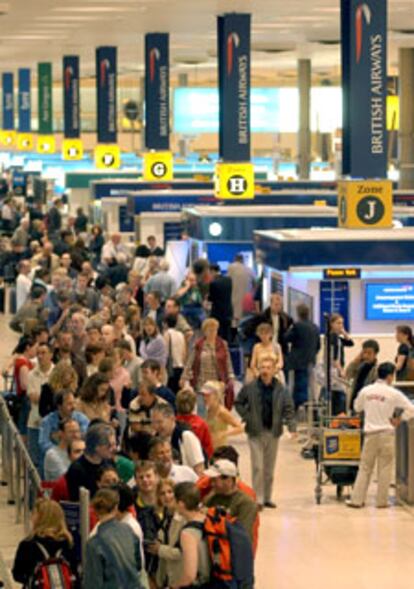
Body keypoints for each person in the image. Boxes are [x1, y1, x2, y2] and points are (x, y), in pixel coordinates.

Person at [346, 362, 414, 509]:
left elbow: (356, 407)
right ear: (390, 376)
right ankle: (382, 502)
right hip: (387, 434)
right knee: (385, 467)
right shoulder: (393, 393)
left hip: (370, 434)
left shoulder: (366, 391)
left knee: (365, 467)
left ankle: (357, 500)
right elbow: (411, 409)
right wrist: (399, 419)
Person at [235, 354, 296, 509]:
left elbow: (288, 408)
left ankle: (267, 497)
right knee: (257, 467)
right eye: (262, 367)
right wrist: (247, 416)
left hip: (273, 432)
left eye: (268, 368)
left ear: (274, 370)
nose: (265, 370)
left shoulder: (281, 389)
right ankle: (258, 499)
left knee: (269, 468)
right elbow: (238, 402)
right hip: (255, 432)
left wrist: (292, 427)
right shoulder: (250, 387)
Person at [84, 488, 143, 589]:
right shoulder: (128, 530)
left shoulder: (93, 543)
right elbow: (138, 565)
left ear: (94, 509)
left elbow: (93, 583)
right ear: (116, 507)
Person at [12, 498, 77, 588]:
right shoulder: (70, 542)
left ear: (40, 519)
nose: (31, 517)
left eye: (34, 513)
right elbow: (76, 572)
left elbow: (17, 575)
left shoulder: (27, 544)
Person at [182, 318, 235, 413]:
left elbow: (228, 362)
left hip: (217, 384)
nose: (213, 332)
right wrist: (184, 377)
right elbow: (189, 362)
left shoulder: (223, 344)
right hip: (201, 383)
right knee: (202, 410)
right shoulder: (198, 345)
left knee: (216, 412)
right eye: (210, 330)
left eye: (215, 330)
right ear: (205, 331)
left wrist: (231, 377)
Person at [204, 459, 258, 542]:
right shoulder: (213, 496)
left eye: (215, 480)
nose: (212, 484)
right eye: (211, 480)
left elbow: (241, 534)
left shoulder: (246, 503)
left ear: (229, 481)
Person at [173, 482, 211, 588]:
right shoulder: (208, 520)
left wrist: (173, 586)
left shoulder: (188, 533)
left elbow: (190, 576)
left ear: (180, 503)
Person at [66, 422, 116, 500]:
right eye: (109, 445)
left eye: (114, 444)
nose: (114, 448)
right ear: (96, 447)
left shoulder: (109, 462)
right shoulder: (77, 470)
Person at [149, 478, 185, 589]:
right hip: (166, 576)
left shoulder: (183, 518)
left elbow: (182, 552)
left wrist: (160, 549)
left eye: (170, 492)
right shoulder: (166, 516)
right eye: (162, 493)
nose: (166, 496)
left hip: (180, 577)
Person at [151, 403, 205, 476]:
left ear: (172, 418)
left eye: (159, 422)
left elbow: (199, 468)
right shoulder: (157, 438)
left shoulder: (186, 436)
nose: (156, 426)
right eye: (153, 422)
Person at [284, 304, 321, 410]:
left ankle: (296, 407)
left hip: (297, 361)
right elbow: (318, 346)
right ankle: (307, 407)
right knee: (308, 385)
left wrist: (288, 328)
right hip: (310, 360)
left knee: (298, 385)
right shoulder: (315, 327)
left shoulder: (297, 326)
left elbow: (286, 338)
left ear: (298, 313)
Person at [27, 342, 54, 470]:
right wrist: (46, 398)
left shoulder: (56, 374)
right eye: (38, 353)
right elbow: (33, 397)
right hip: (34, 422)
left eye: (43, 353)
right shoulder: (31, 374)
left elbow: (54, 400)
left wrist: (43, 398)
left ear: (51, 355)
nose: (40, 356)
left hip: (52, 424)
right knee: (34, 461)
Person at [38, 391, 89, 456]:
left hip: (78, 455)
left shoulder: (82, 418)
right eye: (69, 404)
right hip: (56, 457)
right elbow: (43, 443)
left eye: (74, 403)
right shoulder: (47, 421)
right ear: (59, 406)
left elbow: (85, 437)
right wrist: (61, 451)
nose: (73, 407)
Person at [201, 381, 244, 450]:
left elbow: (240, 428)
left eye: (208, 395)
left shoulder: (222, 411)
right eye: (204, 395)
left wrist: (224, 433)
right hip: (210, 449)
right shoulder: (209, 410)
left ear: (215, 395)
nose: (205, 398)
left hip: (220, 450)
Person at [176, 388, 214, 459]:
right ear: (194, 405)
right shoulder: (201, 424)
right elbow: (208, 448)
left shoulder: (173, 422)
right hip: (198, 458)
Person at [329, 313, 355, 415]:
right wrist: (341, 371)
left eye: (342, 323)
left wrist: (343, 332)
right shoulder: (333, 337)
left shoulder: (338, 338)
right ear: (331, 324)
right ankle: (340, 416)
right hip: (335, 370)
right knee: (339, 394)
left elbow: (351, 343)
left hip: (337, 369)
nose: (341, 325)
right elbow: (334, 357)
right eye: (338, 323)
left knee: (336, 394)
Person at [12, 336, 37, 439]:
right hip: (24, 400)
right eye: (34, 348)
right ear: (28, 348)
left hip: (23, 398)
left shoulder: (24, 361)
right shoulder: (23, 363)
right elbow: (24, 385)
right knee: (24, 429)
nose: (36, 352)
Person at [346, 339, 380, 411]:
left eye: (369, 353)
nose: (366, 356)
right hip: (355, 404)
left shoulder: (377, 370)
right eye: (364, 352)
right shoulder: (360, 366)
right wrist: (356, 360)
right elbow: (347, 374)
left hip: (368, 406)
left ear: (375, 354)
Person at [227, 254, 255, 327]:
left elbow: (227, 279)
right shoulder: (249, 269)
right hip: (246, 298)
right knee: (244, 317)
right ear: (242, 260)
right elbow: (255, 282)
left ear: (235, 259)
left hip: (233, 295)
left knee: (234, 316)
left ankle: (234, 331)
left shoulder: (231, 267)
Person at [208, 263, 233, 342]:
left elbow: (211, 299)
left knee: (217, 335)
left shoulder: (213, 284)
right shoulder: (229, 280)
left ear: (212, 271)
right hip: (228, 311)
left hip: (217, 313)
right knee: (226, 334)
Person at [164, 314, 187, 394]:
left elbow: (165, 352)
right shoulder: (181, 334)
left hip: (171, 367)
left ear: (165, 324)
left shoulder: (167, 334)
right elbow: (184, 352)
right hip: (180, 366)